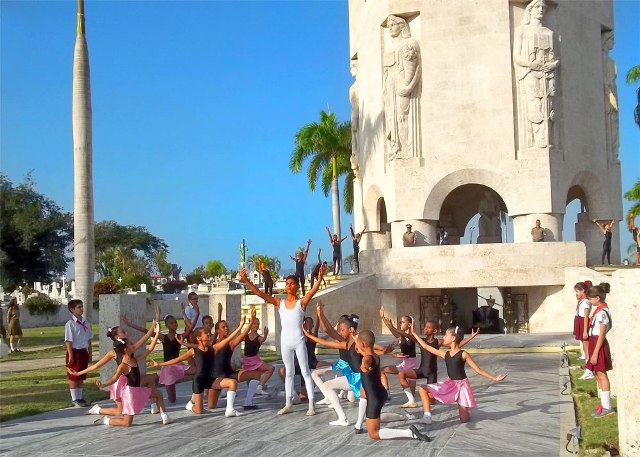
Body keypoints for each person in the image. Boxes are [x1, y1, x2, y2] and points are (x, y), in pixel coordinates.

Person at [240, 265, 326, 416]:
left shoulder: (301, 303)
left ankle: (311, 405)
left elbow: (312, 292)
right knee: (289, 373)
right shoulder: (280, 303)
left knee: (306, 372)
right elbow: (261, 294)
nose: (289, 286)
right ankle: (288, 403)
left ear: (297, 286)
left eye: (292, 283)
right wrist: (247, 280)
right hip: (285, 341)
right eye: (287, 284)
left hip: (299, 341)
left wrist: (319, 279)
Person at [150, 314, 248, 416]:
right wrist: (159, 364)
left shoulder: (213, 348)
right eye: (206, 333)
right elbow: (176, 360)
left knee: (232, 383)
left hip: (210, 380)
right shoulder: (194, 351)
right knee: (199, 411)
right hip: (199, 382)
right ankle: (190, 406)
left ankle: (230, 410)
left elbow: (228, 340)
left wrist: (240, 327)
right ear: (199, 338)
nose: (209, 334)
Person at [414, 325, 507, 424]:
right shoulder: (445, 354)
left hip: (462, 387)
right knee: (422, 389)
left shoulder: (463, 354)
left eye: (446, 335)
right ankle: (427, 416)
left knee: (464, 419)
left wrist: (494, 378)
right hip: (450, 385)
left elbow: (478, 370)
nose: (443, 337)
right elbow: (425, 346)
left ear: (453, 338)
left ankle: (466, 411)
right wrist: (414, 332)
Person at [355, 330, 430, 442]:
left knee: (374, 433)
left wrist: (363, 366)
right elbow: (362, 351)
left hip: (374, 398)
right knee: (375, 416)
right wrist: (357, 339)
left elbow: (365, 361)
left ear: (363, 344)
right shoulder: (375, 355)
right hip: (381, 393)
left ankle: (409, 433)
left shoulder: (367, 358)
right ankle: (403, 417)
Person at [73, 323, 160, 417]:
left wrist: (156, 323)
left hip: (131, 380)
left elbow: (147, 337)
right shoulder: (113, 352)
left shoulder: (129, 347)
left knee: (150, 379)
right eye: (123, 332)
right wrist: (78, 373)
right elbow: (96, 366)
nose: (126, 332)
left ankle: (154, 404)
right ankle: (98, 410)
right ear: (117, 337)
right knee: (120, 412)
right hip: (120, 382)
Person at [93, 322, 170, 427]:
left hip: (139, 390)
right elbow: (114, 378)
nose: (133, 346)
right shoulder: (123, 366)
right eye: (130, 345)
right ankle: (106, 421)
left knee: (158, 394)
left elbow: (149, 349)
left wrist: (156, 334)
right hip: (130, 395)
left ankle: (164, 416)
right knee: (126, 423)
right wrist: (103, 384)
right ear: (125, 349)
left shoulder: (135, 360)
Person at [585, 283, 615, 418]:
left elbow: (602, 334)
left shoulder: (603, 312)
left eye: (590, 299)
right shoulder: (598, 310)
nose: (590, 301)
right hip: (593, 342)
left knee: (602, 374)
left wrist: (596, 353)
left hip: (598, 343)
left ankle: (608, 407)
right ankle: (603, 404)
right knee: (597, 373)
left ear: (597, 298)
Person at [378, 309, 417, 395]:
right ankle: (386, 392)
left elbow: (404, 334)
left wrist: (392, 327)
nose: (400, 324)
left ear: (409, 325)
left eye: (402, 322)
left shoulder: (412, 336)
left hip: (411, 367)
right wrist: (382, 317)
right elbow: (391, 328)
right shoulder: (400, 337)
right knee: (381, 370)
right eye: (400, 322)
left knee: (412, 394)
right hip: (403, 365)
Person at [65, 299, 93, 407]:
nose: (81, 309)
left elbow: (89, 340)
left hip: (83, 351)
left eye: (82, 306)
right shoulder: (70, 324)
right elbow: (68, 341)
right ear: (72, 309)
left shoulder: (86, 322)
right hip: (74, 352)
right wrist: (71, 355)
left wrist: (90, 353)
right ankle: (74, 399)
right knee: (73, 375)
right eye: (79, 307)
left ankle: (80, 397)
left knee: (81, 375)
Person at [243, 316, 275, 400]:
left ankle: (259, 387)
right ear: (250, 325)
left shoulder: (259, 338)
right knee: (251, 381)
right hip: (246, 361)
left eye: (257, 324)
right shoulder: (245, 335)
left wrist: (265, 335)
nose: (255, 325)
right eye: (254, 323)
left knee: (271, 368)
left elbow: (262, 340)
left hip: (255, 360)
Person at [573, 281, 594, 380]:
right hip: (579, 321)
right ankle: (588, 367)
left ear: (583, 291)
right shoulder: (582, 300)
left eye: (577, 291)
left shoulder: (586, 301)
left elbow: (585, 316)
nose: (576, 293)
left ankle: (590, 370)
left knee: (587, 347)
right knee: (585, 347)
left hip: (583, 322)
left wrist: (585, 330)